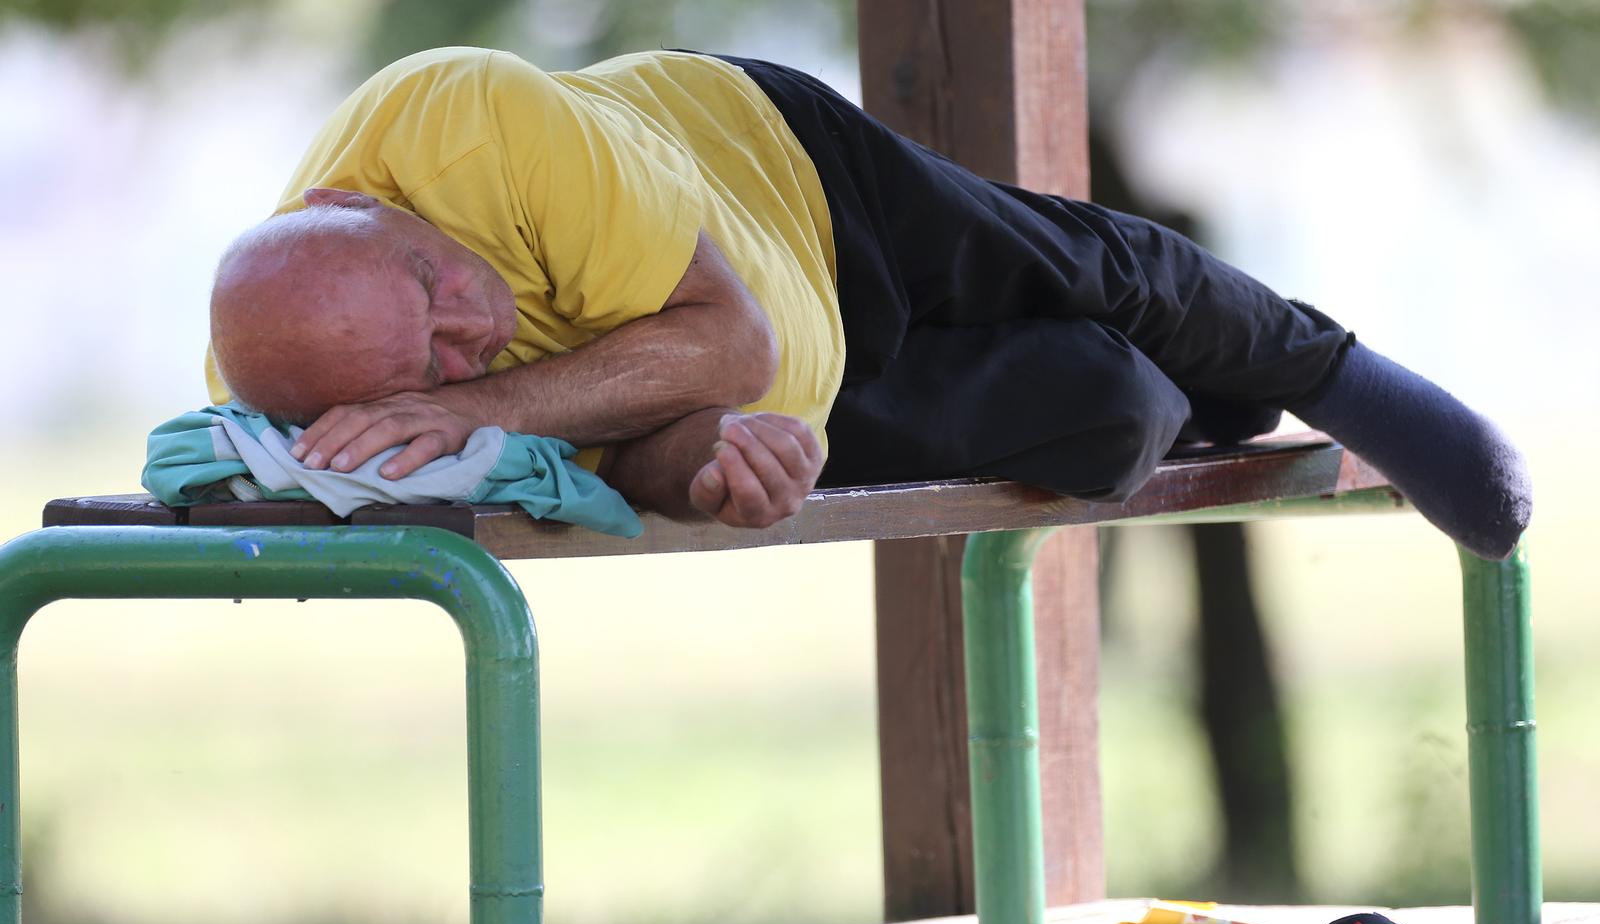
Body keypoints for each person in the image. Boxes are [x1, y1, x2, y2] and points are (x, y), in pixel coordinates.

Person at [208, 48, 1530, 556]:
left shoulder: (469, 116)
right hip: (824, 395)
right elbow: (620, 452)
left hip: (785, 178)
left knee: (1091, 264)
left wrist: (473, 403)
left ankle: (1331, 370)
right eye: (433, 360)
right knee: (1110, 413)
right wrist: (708, 463)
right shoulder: (299, 391)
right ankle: (1205, 386)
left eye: (440, 283)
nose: (473, 327)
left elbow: (730, 335)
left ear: (366, 204)